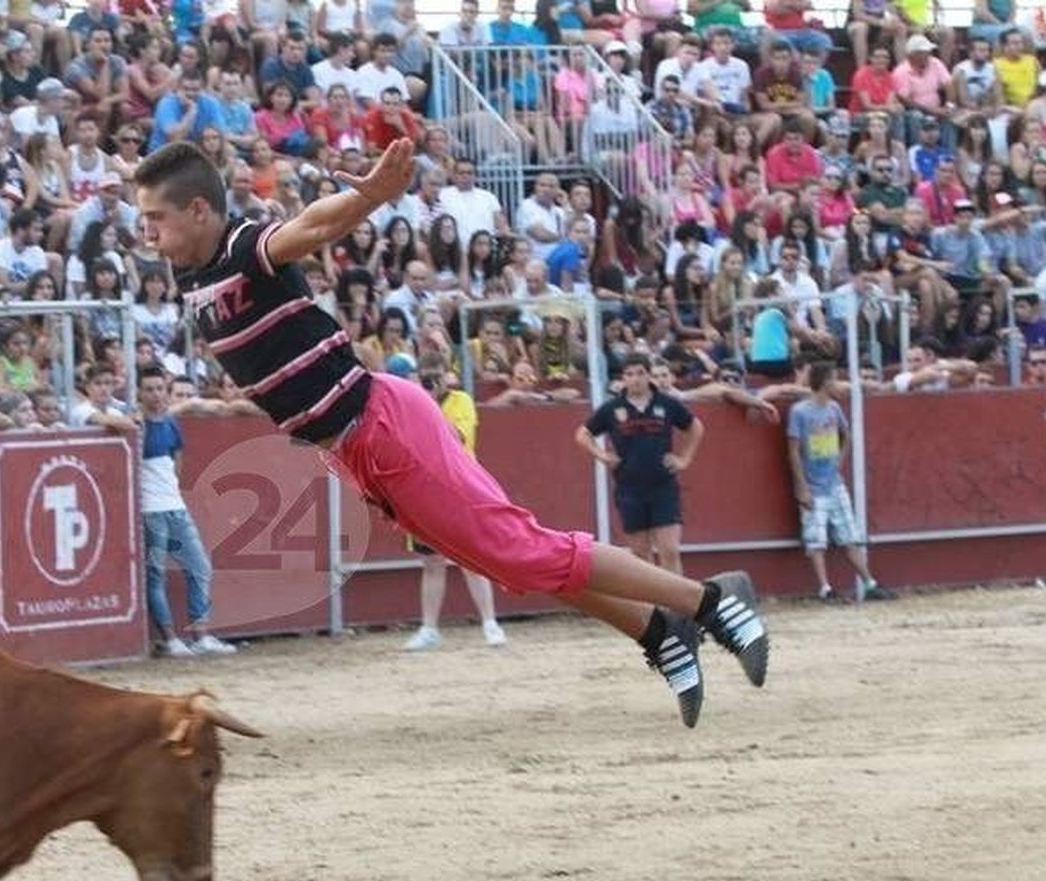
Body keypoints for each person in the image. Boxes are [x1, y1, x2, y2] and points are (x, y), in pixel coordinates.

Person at [133, 138, 770, 727]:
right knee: (511, 558)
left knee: (520, 550)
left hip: (379, 425)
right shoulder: (191, 270)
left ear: (197, 210)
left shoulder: (241, 247)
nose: (148, 235)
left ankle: (710, 601)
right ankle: (659, 633)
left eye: (155, 220)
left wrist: (370, 198)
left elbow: (310, 228)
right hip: (356, 447)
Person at [390, 354, 508, 652]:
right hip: (422, 489)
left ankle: (490, 623)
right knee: (431, 561)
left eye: (436, 376)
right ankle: (429, 628)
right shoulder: (409, 402)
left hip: (457, 488)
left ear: (447, 375)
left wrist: (427, 406)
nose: (431, 382)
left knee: (471, 560)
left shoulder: (461, 401)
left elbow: (456, 437)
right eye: (426, 376)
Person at [138, 365, 239, 657]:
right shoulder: (138, 425)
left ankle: (200, 636)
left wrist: (172, 492)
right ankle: (170, 640)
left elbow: (177, 464)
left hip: (173, 508)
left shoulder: (169, 422)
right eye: (149, 389)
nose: (155, 394)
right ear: (140, 394)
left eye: (159, 389)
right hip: (151, 512)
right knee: (156, 575)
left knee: (199, 567)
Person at [576, 358, 704, 576]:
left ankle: (677, 604)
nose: (635, 379)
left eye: (640, 373)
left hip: (663, 485)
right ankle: (654, 606)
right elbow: (582, 434)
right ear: (623, 378)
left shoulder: (666, 403)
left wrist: (685, 459)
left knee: (669, 549)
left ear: (648, 375)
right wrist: (602, 455)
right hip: (629, 488)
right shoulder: (612, 408)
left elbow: (695, 426)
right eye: (630, 374)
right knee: (640, 553)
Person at [786, 361, 896, 603]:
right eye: (833, 379)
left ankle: (870, 583)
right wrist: (801, 485)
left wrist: (840, 460)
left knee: (849, 535)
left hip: (833, 482)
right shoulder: (800, 411)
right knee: (817, 540)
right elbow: (793, 451)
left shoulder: (833, 408)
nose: (836, 384)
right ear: (824, 382)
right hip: (813, 485)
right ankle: (825, 588)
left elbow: (846, 435)